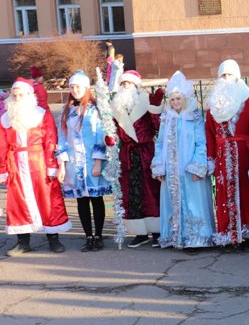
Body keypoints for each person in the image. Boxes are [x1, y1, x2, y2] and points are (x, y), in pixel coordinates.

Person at [205, 59, 249, 248]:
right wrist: (210, 157)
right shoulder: (213, 104)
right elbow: (209, 133)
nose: (226, 79)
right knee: (224, 193)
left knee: (247, 192)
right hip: (222, 154)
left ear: (237, 77)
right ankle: (229, 232)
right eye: (223, 75)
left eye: (230, 75)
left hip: (245, 154)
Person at [0, 78, 71, 255]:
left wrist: (52, 165)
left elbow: (50, 140)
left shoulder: (41, 114)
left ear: (29, 95)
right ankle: (23, 241)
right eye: (14, 96)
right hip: (16, 164)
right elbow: (1, 145)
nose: (16, 99)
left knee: (48, 199)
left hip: (38, 162)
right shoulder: (6, 118)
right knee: (18, 202)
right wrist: (3, 169)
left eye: (20, 95)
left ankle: (53, 239)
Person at [152, 71, 215, 252]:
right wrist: (159, 167)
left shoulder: (194, 118)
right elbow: (160, 143)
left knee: (192, 203)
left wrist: (198, 166)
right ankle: (175, 236)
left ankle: (195, 238)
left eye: (178, 99)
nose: (175, 103)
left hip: (189, 170)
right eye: (172, 99)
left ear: (185, 99)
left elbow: (202, 143)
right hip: (172, 171)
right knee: (173, 202)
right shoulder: (166, 119)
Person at [56, 70, 112, 251]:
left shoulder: (95, 110)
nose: (75, 90)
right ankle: (88, 236)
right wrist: (62, 165)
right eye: (72, 87)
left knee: (96, 199)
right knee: (81, 200)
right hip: (74, 164)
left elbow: (100, 136)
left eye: (78, 86)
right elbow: (62, 139)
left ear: (86, 87)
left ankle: (99, 235)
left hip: (91, 162)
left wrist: (98, 162)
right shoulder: (67, 112)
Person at [111, 70, 163, 247]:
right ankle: (139, 232)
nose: (125, 87)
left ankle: (157, 230)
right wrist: (109, 138)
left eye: (129, 83)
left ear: (136, 85)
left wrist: (156, 109)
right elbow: (111, 129)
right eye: (123, 84)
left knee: (151, 191)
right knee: (132, 193)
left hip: (146, 152)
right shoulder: (116, 105)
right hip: (127, 153)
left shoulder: (146, 100)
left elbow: (158, 127)